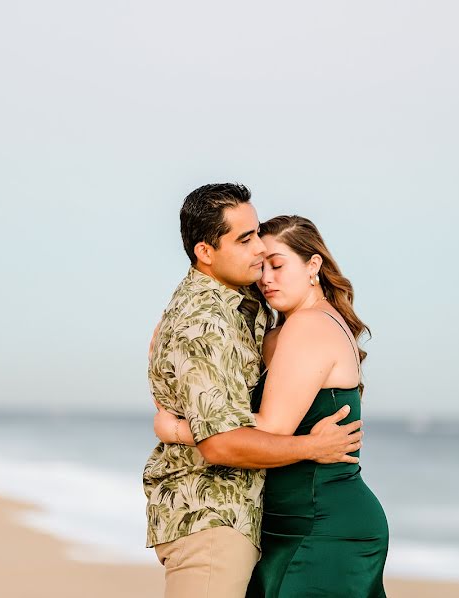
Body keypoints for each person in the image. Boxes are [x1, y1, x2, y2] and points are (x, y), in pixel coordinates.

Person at [144, 184, 364, 598]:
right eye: (245, 240)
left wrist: (174, 426)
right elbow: (221, 443)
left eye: (269, 253)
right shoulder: (207, 322)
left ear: (313, 265)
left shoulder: (249, 308)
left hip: (259, 517)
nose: (262, 262)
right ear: (205, 252)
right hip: (212, 516)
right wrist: (310, 447)